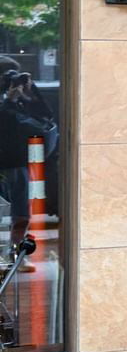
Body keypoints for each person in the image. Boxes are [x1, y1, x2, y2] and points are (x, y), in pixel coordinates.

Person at [0, 56, 54, 249]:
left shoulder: (19, 99)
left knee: (22, 212)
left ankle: (16, 250)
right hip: (7, 163)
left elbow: (47, 117)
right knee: (8, 211)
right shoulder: (6, 102)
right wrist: (10, 100)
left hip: (20, 160)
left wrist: (32, 94)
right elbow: (5, 123)